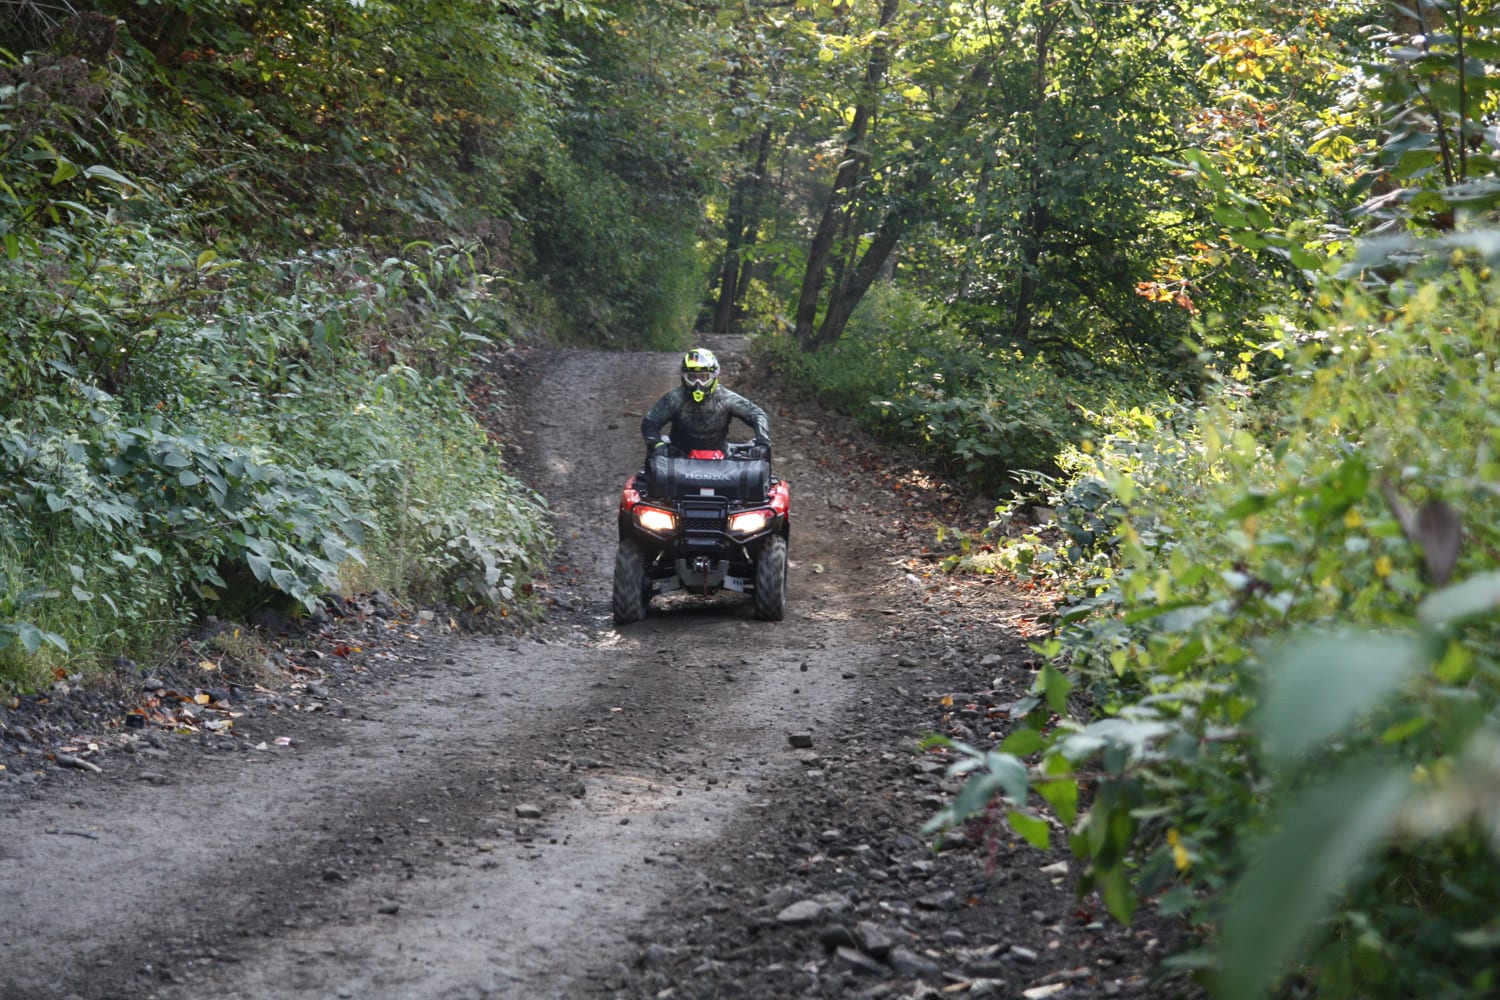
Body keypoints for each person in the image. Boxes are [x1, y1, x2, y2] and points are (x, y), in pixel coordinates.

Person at [641, 347, 771, 458]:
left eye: (703, 377)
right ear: (684, 377)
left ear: (713, 376)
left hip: (718, 456)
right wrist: (657, 444)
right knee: (651, 471)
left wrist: (762, 443)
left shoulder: (726, 398)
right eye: (692, 377)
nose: (698, 383)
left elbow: (757, 415)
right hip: (678, 456)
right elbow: (650, 422)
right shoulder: (674, 398)